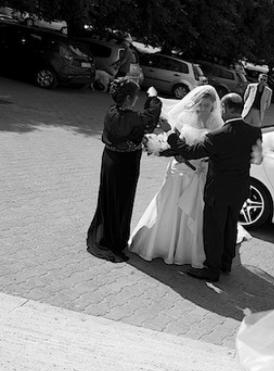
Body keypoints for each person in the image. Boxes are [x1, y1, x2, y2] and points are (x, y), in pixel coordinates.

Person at [129, 85, 248, 268]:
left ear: (214, 106)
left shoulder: (217, 125)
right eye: (201, 103)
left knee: (193, 212)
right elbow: (173, 141)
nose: (203, 107)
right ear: (196, 102)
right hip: (177, 171)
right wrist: (160, 150)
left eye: (208, 105)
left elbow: (213, 152)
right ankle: (161, 245)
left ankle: (190, 251)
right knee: (168, 205)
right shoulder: (184, 117)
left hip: (198, 173)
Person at [166, 93, 262, 282]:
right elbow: (257, 159)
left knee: (214, 229)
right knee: (230, 225)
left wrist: (171, 137)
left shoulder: (217, 135)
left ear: (225, 108)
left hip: (218, 189)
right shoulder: (254, 132)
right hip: (240, 189)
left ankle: (212, 269)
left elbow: (190, 152)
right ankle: (226, 263)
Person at [86, 79, 163, 263]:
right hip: (125, 165)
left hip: (109, 161)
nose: (137, 99)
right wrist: (153, 98)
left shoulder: (111, 111)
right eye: (136, 96)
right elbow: (150, 119)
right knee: (122, 200)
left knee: (108, 197)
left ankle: (104, 234)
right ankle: (114, 240)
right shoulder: (134, 119)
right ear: (129, 98)